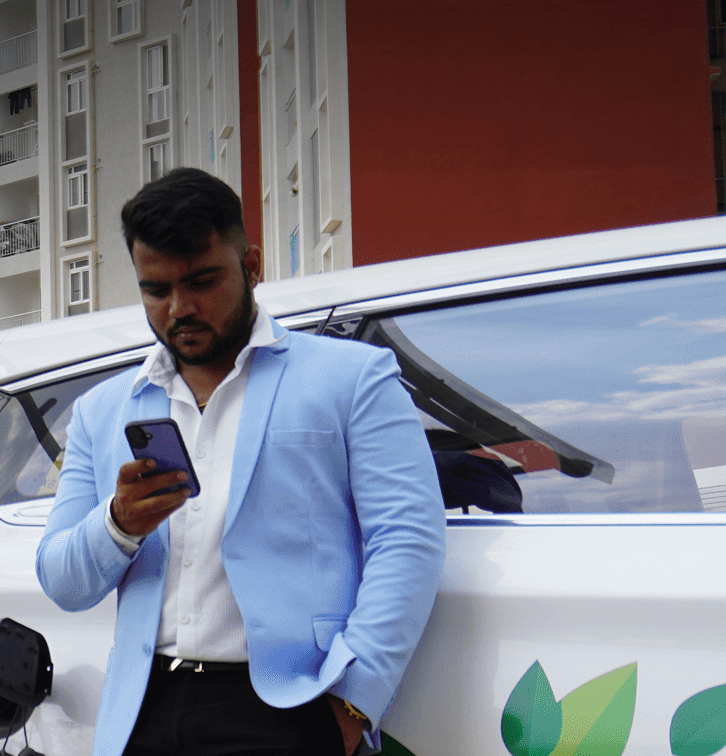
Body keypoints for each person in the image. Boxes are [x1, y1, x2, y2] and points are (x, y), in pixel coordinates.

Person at [36, 168, 446, 756]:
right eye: (156, 290)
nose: (180, 307)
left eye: (203, 280)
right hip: (142, 711)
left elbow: (409, 539)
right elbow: (61, 581)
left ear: (252, 266)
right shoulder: (104, 412)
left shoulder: (352, 378)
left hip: (289, 709)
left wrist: (353, 701)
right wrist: (119, 524)